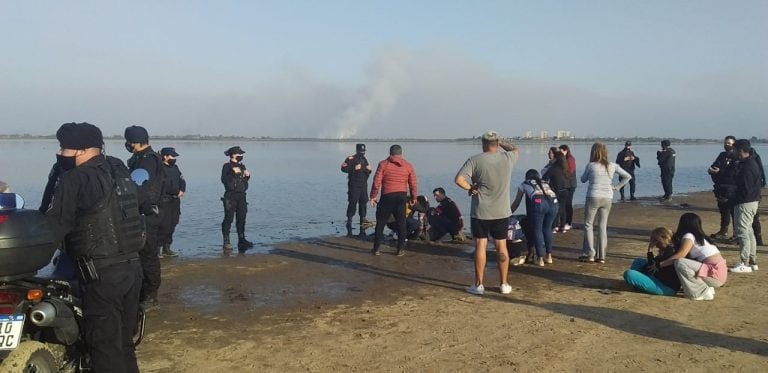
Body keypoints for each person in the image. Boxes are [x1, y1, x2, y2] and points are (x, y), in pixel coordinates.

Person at [45, 122, 142, 372]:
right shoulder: (118, 168)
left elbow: (55, 226)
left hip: (101, 274)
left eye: (64, 149)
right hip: (132, 268)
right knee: (123, 342)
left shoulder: (75, 178)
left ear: (81, 150)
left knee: (103, 346)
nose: (60, 154)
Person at [455, 131, 518, 295]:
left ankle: (479, 285)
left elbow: (459, 179)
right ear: (497, 143)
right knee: (501, 246)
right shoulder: (507, 158)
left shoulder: (475, 160)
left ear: (483, 144)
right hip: (502, 211)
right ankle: (504, 283)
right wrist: (501, 142)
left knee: (480, 246)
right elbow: (515, 149)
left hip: (480, 211)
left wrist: (471, 188)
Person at [124, 125, 165, 310]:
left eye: (129, 141)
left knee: (147, 255)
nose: (127, 144)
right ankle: (143, 291)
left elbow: (138, 186)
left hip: (147, 214)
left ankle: (151, 295)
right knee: (141, 255)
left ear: (135, 142)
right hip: (143, 212)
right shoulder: (143, 158)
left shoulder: (147, 161)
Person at [579, 142, 632, 263]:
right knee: (602, 226)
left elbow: (582, 179)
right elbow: (628, 176)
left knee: (588, 225)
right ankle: (601, 256)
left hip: (593, 196)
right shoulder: (612, 165)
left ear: (593, 152)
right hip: (608, 197)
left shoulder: (591, 165)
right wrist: (617, 187)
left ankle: (590, 253)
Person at [655, 213, 727, 300]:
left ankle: (701, 292)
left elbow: (681, 255)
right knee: (686, 262)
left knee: (680, 262)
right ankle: (706, 287)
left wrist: (660, 264)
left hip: (714, 274)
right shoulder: (702, 239)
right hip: (719, 273)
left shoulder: (689, 236)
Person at [369, 144, 418, 256]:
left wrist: (373, 196)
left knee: (380, 223)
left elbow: (376, 183)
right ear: (401, 154)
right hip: (401, 197)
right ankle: (400, 249)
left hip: (387, 197)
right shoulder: (408, 166)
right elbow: (413, 183)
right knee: (402, 223)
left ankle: (376, 249)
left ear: (390, 153)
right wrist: (414, 197)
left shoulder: (383, 164)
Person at [510, 169, 558, 266]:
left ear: (527, 177)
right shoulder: (544, 182)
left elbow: (517, 202)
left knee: (537, 230)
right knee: (547, 229)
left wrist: (508, 213)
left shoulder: (524, 184)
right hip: (554, 203)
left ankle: (540, 258)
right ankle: (549, 256)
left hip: (539, 204)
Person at [729, 139, 762, 273]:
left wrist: (735, 198)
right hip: (751, 201)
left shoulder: (748, 166)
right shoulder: (750, 163)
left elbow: (746, 188)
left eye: (735, 150)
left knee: (742, 232)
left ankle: (744, 262)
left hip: (745, 202)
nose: (733, 152)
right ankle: (752, 261)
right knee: (748, 231)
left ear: (740, 150)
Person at [622, 227, 680, 296]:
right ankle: (636, 284)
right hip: (658, 279)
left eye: (655, 241)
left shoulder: (669, 251)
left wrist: (650, 250)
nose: (655, 244)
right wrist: (650, 251)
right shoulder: (667, 249)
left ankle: (636, 285)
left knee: (629, 274)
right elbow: (652, 266)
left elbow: (651, 266)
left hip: (665, 287)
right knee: (638, 261)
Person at [221, 146, 254, 253]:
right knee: (228, 219)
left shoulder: (242, 166)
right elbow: (224, 180)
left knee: (242, 218)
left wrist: (248, 176)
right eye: (239, 154)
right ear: (233, 155)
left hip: (242, 196)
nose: (241, 156)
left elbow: (244, 180)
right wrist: (233, 173)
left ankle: (242, 240)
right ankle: (226, 241)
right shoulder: (226, 166)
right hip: (230, 197)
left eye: (241, 154)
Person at [707, 136, 738, 239]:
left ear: (734, 144)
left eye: (729, 143)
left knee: (734, 212)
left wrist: (720, 172)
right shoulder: (722, 155)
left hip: (732, 188)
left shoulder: (737, 156)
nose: (727, 145)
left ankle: (736, 233)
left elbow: (734, 172)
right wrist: (711, 170)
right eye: (725, 143)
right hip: (721, 188)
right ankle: (723, 231)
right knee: (723, 211)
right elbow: (714, 165)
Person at [157, 147, 185, 258]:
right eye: (172, 156)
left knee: (173, 224)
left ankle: (167, 248)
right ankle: (157, 249)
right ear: (165, 156)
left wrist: (182, 190)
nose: (174, 158)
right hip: (165, 201)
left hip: (175, 201)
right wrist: (176, 191)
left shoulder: (175, 168)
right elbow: (163, 185)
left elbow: (182, 180)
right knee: (164, 225)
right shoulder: (160, 169)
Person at [340, 143, 373, 237]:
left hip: (363, 185)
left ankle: (363, 219)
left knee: (363, 202)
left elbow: (367, 170)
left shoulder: (364, 159)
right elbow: (343, 168)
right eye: (361, 151)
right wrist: (353, 168)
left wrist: (369, 170)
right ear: (357, 150)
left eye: (363, 151)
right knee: (352, 202)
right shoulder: (350, 159)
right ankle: (349, 220)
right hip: (354, 185)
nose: (362, 153)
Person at [542, 148, 570, 233]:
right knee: (562, 208)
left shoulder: (554, 168)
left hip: (556, 190)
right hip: (565, 190)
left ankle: (555, 226)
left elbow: (545, 178)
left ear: (556, 158)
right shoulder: (564, 167)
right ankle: (563, 226)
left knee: (554, 208)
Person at [558, 144, 577, 231]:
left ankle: (569, 222)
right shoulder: (562, 159)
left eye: (561, 151)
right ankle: (564, 222)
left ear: (565, 150)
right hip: (564, 184)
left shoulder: (570, 159)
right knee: (563, 203)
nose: (559, 153)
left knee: (568, 203)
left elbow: (571, 171)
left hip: (571, 185)